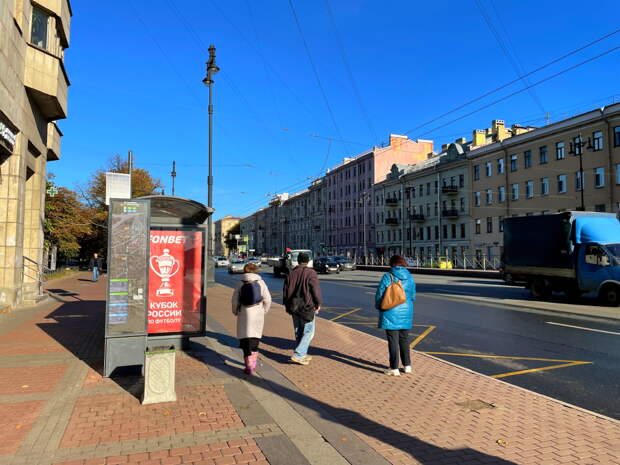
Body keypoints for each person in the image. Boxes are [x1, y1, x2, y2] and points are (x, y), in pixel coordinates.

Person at [374, 255, 416, 376]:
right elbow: (413, 295)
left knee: (393, 340)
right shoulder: (409, 277)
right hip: (406, 311)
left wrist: (379, 306)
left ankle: (394, 368)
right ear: (403, 263)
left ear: (392, 264)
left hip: (390, 311)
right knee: (404, 339)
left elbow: (380, 294)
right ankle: (407, 365)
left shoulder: (388, 276)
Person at [231, 262, 272, 374]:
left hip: (244, 313)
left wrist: (235, 311)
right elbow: (268, 299)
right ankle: (253, 362)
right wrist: (264, 310)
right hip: (257, 312)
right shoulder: (261, 282)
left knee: (245, 339)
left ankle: (248, 364)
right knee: (255, 338)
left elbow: (234, 300)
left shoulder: (240, 283)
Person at [283, 252, 322, 365]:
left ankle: (302, 354)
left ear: (298, 260)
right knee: (309, 331)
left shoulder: (291, 273)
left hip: (293, 306)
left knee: (298, 331)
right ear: (308, 261)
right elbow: (315, 290)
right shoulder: (311, 273)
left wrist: (286, 305)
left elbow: (285, 291)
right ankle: (299, 354)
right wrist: (318, 303)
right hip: (307, 306)